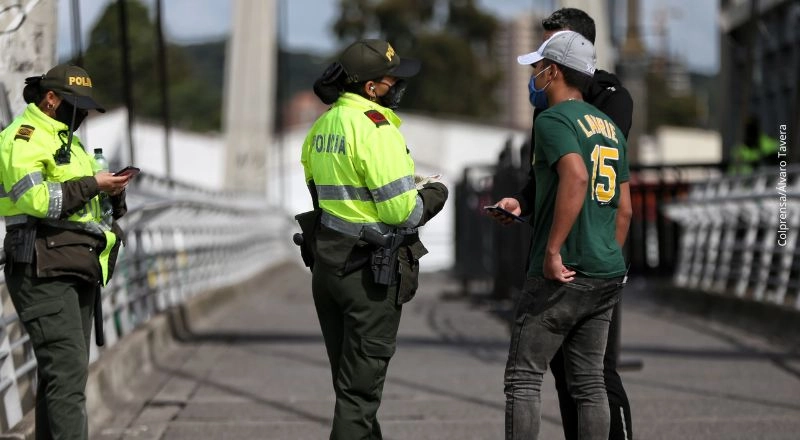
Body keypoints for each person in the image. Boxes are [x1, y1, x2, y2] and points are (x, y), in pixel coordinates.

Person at [489, 8, 634, 440]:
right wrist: (608, 254)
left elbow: (574, 176)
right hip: (605, 268)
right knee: (589, 382)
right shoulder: (609, 123)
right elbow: (624, 208)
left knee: (524, 377)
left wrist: (552, 251)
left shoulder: (553, 120)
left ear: (553, 71)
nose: (533, 73)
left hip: (561, 269)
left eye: (538, 65)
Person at [299, 39, 448, 439]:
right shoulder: (376, 129)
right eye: (391, 78)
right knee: (359, 396)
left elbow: (317, 187)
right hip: (370, 275)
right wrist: (433, 196)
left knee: (350, 388)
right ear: (370, 88)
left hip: (329, 267)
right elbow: (401, 212)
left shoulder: (323, 126)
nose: (397, 84)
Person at [0, 64, 131, 439]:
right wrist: (93, 183)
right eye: (76, 105)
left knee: (61, 374)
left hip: (76, 264)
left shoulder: (70, 144)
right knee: (68, 374)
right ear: (51, 99)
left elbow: (94, 208)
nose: (83, 114)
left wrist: (113, 193)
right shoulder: (23, 139)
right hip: (43, 265)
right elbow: (36, 199)